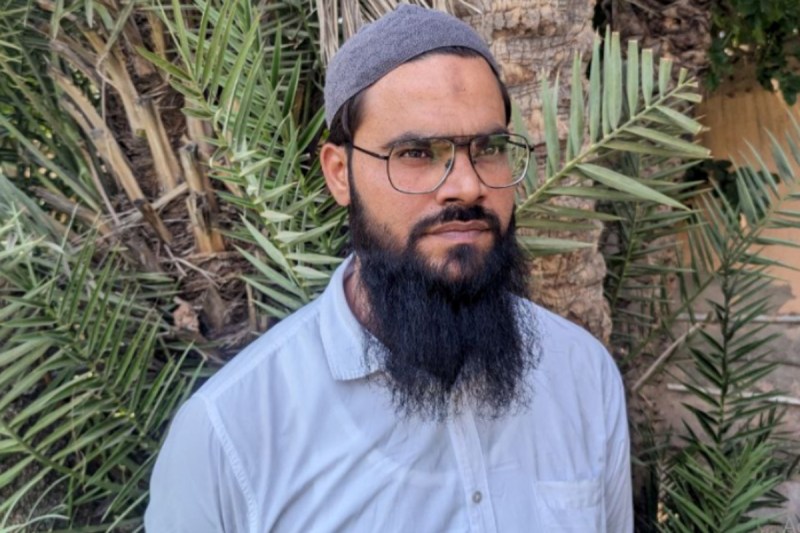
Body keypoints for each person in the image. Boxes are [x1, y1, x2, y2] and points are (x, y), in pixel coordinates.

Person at [145, 5, 633, 532]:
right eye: (417, 152)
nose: (467, 186)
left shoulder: (582, 375)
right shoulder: (228, 437)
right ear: (339, 173)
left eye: (488, 148)